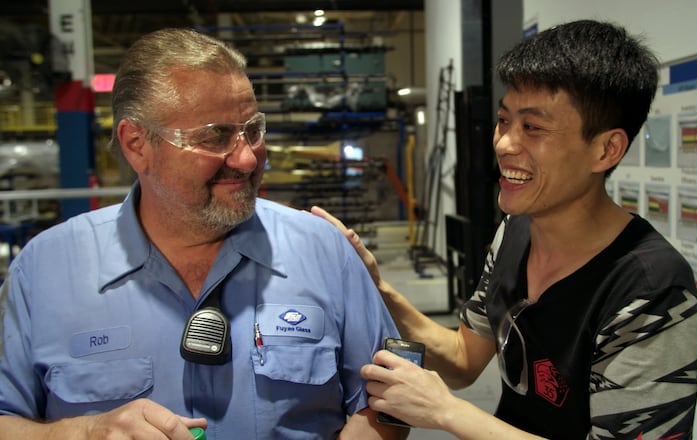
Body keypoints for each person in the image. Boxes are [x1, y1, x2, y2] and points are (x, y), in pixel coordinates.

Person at [0, 28, 407, 439]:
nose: (247, 158)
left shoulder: (324, 250)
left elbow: (387, 406)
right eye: (216, 136)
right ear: (136, 144)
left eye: (253, 129)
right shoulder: (43, 270)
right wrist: (83, 432)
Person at [312, 19, 697, 440]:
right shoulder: (515, 232)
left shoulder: (652, 288)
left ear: (606, 149)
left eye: (532, 127)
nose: (503, 144)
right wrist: (378, 288)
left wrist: (445, 412)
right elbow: (463, 359)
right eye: (504, 121)